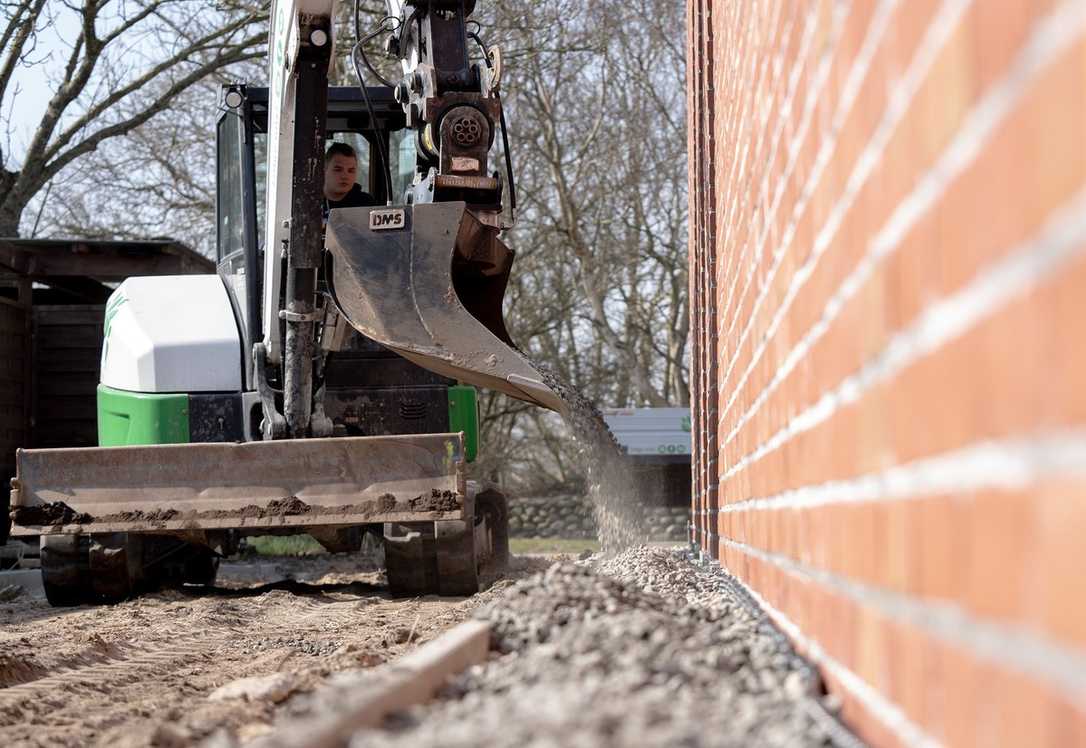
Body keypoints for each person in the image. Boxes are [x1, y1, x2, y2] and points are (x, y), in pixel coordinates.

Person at [322, 142, 376, 221]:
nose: (345, 176)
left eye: (351, 171)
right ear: (324, 170)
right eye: (338, 170)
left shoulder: (366, 204)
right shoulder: (310, 201)